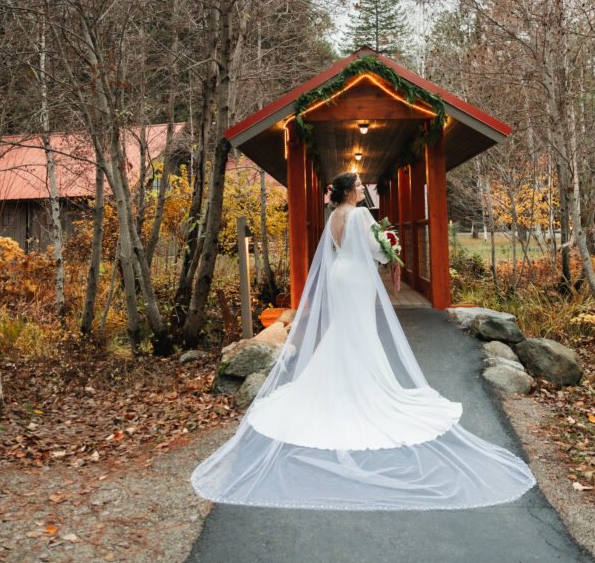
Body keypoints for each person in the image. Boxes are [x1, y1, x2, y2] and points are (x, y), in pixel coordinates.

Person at [191, 171, 536, 510]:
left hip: (341, 275)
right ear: (346, 192)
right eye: (357, 185)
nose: (361, 189)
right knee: (360, 330)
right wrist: (391, 252)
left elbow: (339, 250)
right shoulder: (360, 214)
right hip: (357, 278)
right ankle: (361, 386)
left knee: (345, 328)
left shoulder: (333, 218)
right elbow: (376, 249)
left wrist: (385, 248)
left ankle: (331, 383)